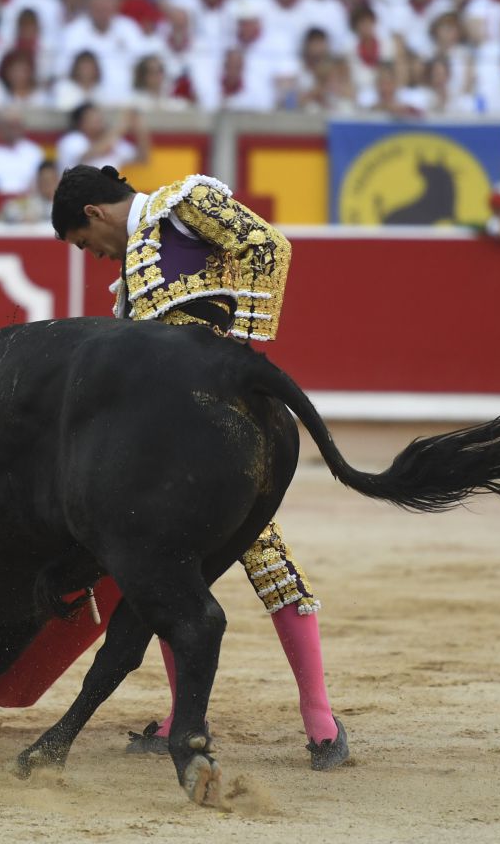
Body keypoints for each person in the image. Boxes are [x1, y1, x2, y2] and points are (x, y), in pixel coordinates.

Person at [50, 164, 348, 771]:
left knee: (259, 559)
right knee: (167, 566)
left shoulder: (182, 203)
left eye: (86, 245)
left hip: (219, 417)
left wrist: (234, 352)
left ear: (94, 215)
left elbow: (268, 247)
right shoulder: (129, 283)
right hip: (167, 438)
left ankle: (319, 716)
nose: (95, 257)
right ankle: (196, 718)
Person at [55, 103, 148, 174]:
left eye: (99, 118)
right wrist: (120, 127)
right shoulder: (72, 140)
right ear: (80, 123)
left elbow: (141, 159)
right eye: (93, 119)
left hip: (108, 195)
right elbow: (88, 155)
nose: (99, 122)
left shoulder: (113, 140)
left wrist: (140, 130)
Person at [0, 159, 59, 223]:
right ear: (38, 182)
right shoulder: (28, 203)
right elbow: (3, 214)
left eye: (51, 180)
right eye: (45, 181)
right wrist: (21, 218)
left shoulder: (65, 204)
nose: (48, 185)